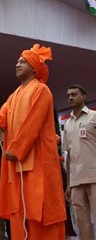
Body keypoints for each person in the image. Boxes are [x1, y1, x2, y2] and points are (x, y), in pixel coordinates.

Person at [0, 43, 66, 240]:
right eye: (17, 61)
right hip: (17, 164)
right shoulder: (14, 95)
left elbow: (33, 123)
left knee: (40, 209)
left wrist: (16, 150)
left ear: (34, 67)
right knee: (20, 211)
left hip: (37, 163)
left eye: (22, 62)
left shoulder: (41, 90)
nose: (17, 64)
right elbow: (0, 120)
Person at [63, 83, 96, 240]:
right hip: (75, 180)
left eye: (74, 94)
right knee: (81, 221)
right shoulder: (67, 124)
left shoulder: (93, 117)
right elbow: (68, 155)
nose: (70, 97)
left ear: (84, 97)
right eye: (69, 95)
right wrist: (69, 183)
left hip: (94, 176)